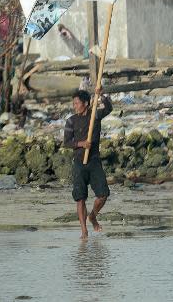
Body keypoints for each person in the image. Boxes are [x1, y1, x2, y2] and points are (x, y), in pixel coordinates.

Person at [63, 88, 113, 239]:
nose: (75, 106)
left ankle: (93, 216)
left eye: (77, 103)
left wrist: (102, 95)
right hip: (79, 162)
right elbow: (66, 142)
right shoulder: (71, 120)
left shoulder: (94, 116)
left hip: (94, 161)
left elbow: (109, 108)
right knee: (80, 197)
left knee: (103, 194)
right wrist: (80, 143)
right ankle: (84, 230)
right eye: (74, 103)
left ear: (85, 103)